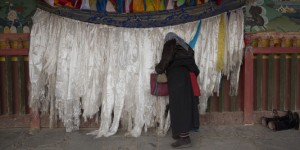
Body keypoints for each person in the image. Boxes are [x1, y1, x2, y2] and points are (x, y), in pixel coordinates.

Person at [155, 32, 200, 149]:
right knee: (185, 105)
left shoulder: (171, 43)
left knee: (179, 107)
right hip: (187, 77)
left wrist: (158, 69)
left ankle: (185, 139)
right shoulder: (185, 47)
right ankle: (181, 134)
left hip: (177, 77)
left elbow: (166, 59)